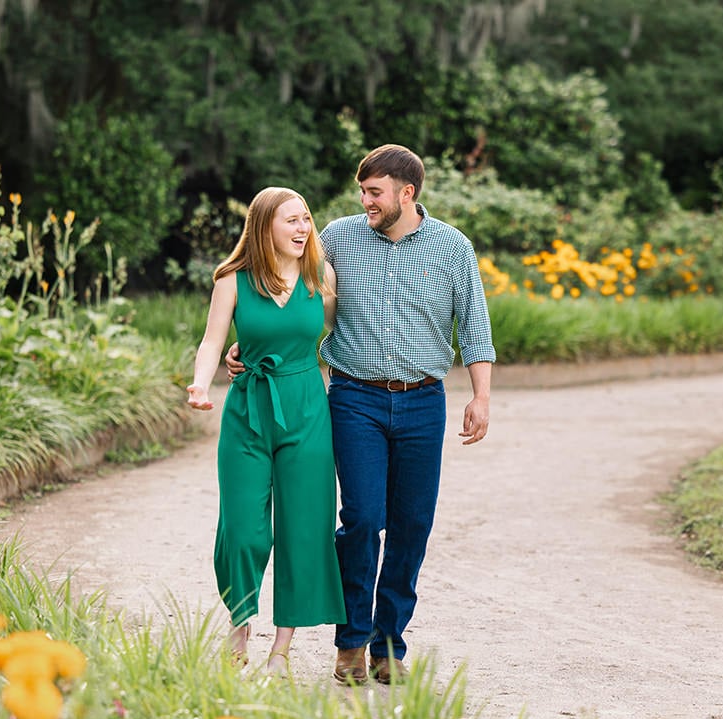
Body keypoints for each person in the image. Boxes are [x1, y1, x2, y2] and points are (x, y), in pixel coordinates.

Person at [228, 144, 496, 685]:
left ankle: (388, 645)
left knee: (412, 524)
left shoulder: (452, 247)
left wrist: (480, 396)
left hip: (424, 400)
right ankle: (351, 640)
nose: (365, 201)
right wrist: (252, 344)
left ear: (407, 193)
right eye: (363, 192)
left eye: (375, 192)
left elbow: (474, 324)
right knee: (362, 519)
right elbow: (291, 289)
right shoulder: (339, 238)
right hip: (355, 399)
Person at [186, 186, 346, 676]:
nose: (303, 228)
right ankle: (240, 622)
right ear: (264, 226)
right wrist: (200, 383)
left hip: (306, 409)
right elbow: (212, 341)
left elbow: (338, 336)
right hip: (248, 409)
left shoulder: (320, 276)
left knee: (304, 526)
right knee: (243, 527)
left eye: (305, 219)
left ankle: (281, 650)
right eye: (291, 220)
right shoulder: (232, 279)